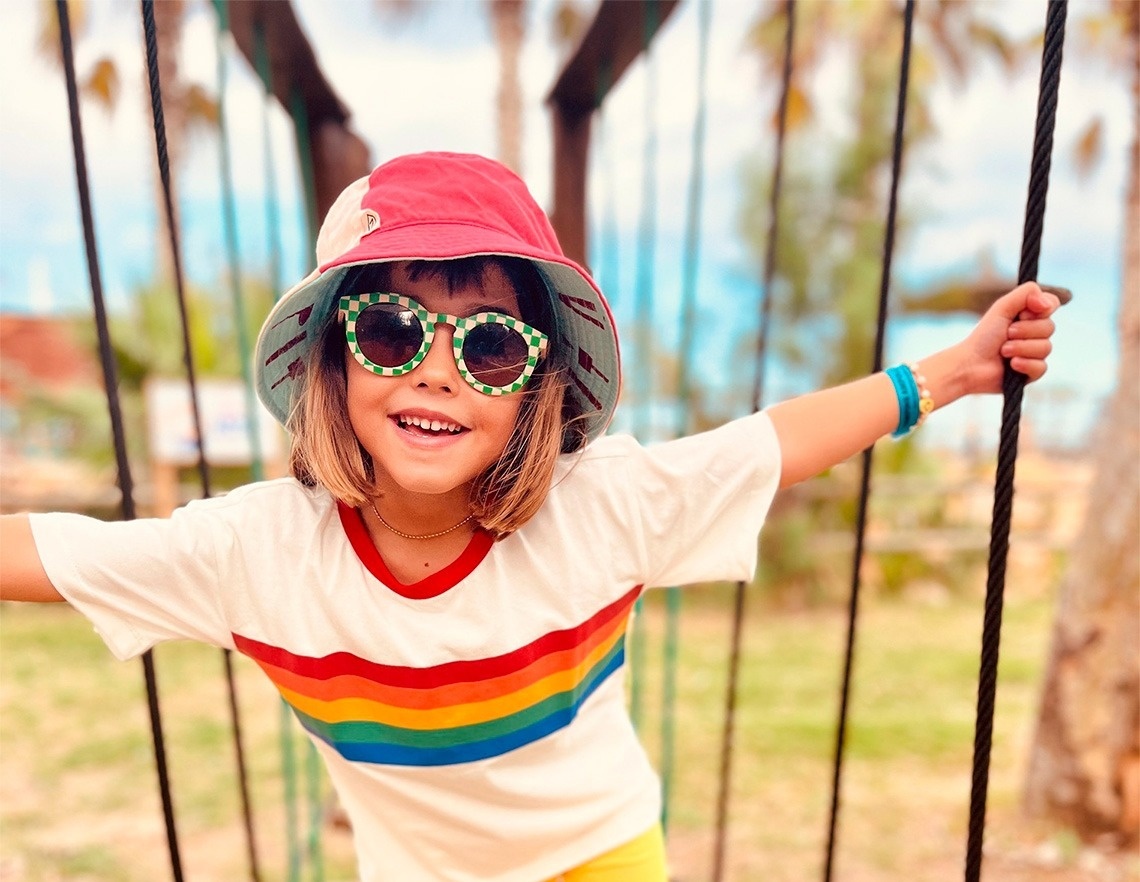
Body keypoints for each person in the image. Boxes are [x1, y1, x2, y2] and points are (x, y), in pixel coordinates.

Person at [0, 151, 1060, 882]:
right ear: (329, 360)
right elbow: (53, 554)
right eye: (390, 331)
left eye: (492, 346)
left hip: (599, 852)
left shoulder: (602, 509)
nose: (438, 373)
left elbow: (770, 442)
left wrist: (957, 371)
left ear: (538, 389)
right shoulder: (254, 551)